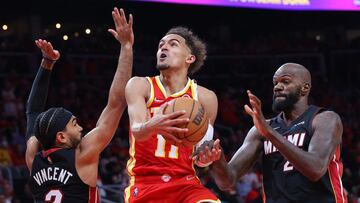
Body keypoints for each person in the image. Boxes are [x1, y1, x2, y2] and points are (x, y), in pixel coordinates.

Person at [195, 63, 347, 203]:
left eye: (285, 82)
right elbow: (227, 181)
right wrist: (217, 158)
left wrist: (269, 133)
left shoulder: (324, 119)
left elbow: (316, 169)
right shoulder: (261, 129)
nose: (277, 87)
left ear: (305, 88)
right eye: (275, 83)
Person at [25, 7, 133, 202]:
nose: (81, 127)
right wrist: (126, 47)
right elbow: (116, 103)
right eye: (74, 124)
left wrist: (47, 63)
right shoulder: (82, 155)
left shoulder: (34, 160)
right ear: (61, 137)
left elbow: (33, 111)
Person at [124, 26, 220, 202]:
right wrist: (153, 125)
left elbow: (199, 157)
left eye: (173, 44)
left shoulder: (206, 98)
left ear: (190, 58)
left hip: (185, 183)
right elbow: (137, 130)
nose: (164, 47)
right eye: (161, 45)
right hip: (146, 183)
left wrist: (206, 159)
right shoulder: (140, 85)